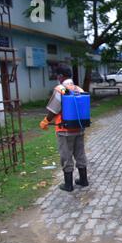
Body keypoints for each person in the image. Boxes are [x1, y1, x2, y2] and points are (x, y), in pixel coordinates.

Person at [39, 64, 89, 192]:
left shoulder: (60, 89)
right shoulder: (79, 88)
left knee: (66, 156)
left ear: (60, 76)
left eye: (57, 75)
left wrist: (45, 121)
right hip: (79, 128)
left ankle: (68, 185)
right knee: (80, 154)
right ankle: (83, 180)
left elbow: (53, 110)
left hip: (64, 130)